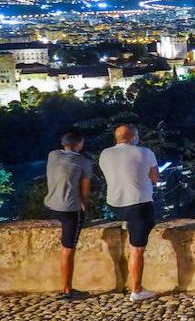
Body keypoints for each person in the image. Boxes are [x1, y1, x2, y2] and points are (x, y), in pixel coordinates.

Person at [98, 124, 159, 302]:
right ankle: (137, 290)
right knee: (137, 249)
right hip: (137, 204)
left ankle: (127, 223)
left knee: (133, 223)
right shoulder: (145, 152)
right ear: (133, 137)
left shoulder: (105, 153)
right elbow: (155, 179)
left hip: (115, 205)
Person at [44, 129, 93, 300]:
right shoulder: (84, 162)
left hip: (52, 206)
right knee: (68, 249)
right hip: (70, 209)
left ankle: (67, 288)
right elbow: (85, 192)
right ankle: (67, 290)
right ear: (79, 143)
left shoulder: (52, 155)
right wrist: (85, 206)